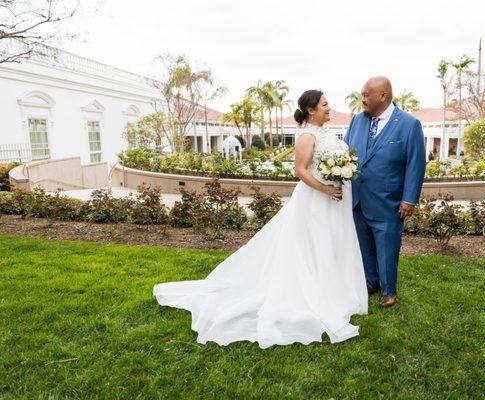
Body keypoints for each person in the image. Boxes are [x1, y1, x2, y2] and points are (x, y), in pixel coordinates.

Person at [154, 90, 368, 349]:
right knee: (315, 245)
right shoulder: (307, 136)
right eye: (325, 104)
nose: (328, 108)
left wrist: (342, 173)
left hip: (334, 202)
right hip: (316, 201)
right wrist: (325, 188)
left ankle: (336, 289)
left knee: (334, 244)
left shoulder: (325, 133)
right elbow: (300, 170)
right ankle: (317, 293)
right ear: (311, 110)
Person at [344, 76, 426, 308]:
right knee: (364, 245)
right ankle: (371, 282)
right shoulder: (357, 121)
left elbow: (415, 164)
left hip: (388, 201)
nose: (362, 100)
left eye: (366, 95)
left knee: (387, 247)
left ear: (383, 96)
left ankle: (389, 291)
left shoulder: (409, 124)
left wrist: (409, 199)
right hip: (358, 198)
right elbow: (347, 154)